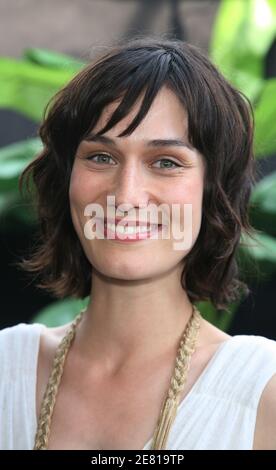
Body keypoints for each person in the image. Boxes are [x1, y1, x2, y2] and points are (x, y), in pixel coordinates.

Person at [0, 36, 276, 451]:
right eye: (101, 157)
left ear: (212, 189)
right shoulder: (6, 371)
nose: (126, 196)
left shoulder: (262, 393)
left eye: (165, 162)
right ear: (66, 178)